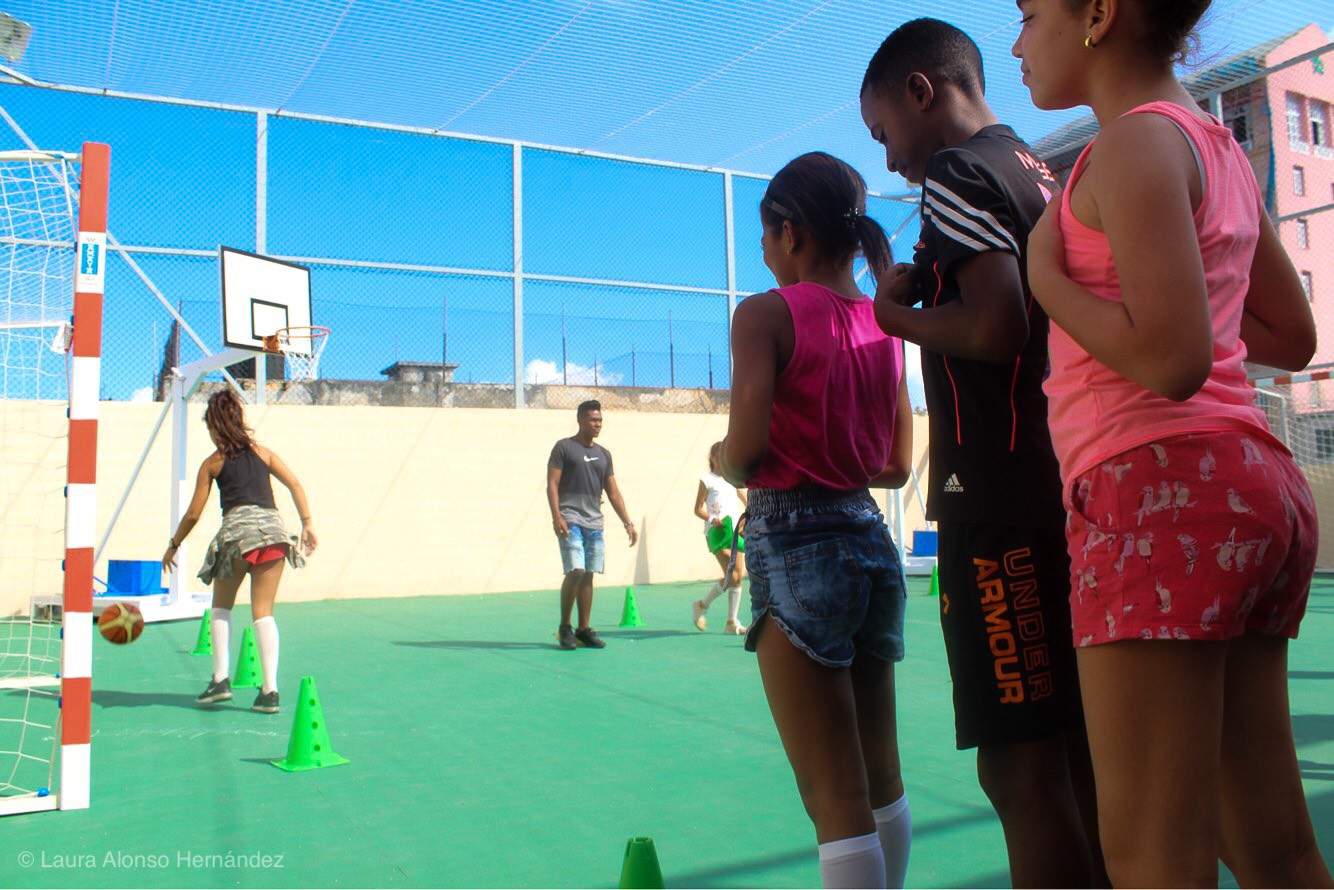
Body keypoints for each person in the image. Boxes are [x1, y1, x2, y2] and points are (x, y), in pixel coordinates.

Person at [1013, 1, 1331, 886]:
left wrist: (1046, 277)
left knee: (1157, 860)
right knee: (1275, 847)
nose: (1017, 41)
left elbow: (1173, 358)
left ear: (1098, 15)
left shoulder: (1129, 146)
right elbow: (1289, 335)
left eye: (1030, 13)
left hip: (1158, 492)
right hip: (1254, 489)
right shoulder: (1216, 148)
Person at [860, 18, 1104, 887]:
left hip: (995, 498)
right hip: (1059, 479)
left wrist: (893, 320)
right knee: (1076, 756)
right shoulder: (1036, 164)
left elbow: (997, 326)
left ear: (922, 91)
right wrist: (920, 282)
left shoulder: (958, 172)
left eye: (884, 132)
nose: (889, 160)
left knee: (1018, 767)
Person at [723, 151, 914, 889]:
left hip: (795, 543)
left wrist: (720, 447)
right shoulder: (884, 325)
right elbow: (896, 465)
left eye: (766, 239)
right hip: (870, 539)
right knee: (881, 778)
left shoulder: (763, 315)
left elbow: (743, 454)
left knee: (833, 800)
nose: (766, 256)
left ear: (791, 233)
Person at [162, 388, 317, 714]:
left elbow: (193, 513)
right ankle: (270, 692)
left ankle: (220, 680)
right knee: (264, 613)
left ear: (216, 426)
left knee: (221, 608)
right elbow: (296, 484)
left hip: (235, 539)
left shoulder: (213, 463)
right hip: (273, 536)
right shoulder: (263, 453)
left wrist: (173, 545)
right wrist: (307, 523)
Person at [546, 400, 638, 650]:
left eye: (600, 420)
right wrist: (557, 516)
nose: (598, 424)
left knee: (588, 575)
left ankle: (583, 629)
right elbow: (552, 484)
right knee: (575, 570)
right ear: (580, 420)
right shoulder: (564, 448)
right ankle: (565, 627)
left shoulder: (603, 454)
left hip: (594, 522)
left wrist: (627, 522)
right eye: (593, 420)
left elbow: (614, 492)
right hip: (570, 518)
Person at [691, 441, 749, 635]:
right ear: (713, 457)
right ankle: (702, 605)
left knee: (737, 577)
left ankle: (731, 622)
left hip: (734, 533)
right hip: (717, 533)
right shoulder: (706, 480)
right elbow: (698, 508)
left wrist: (747, 518)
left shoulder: (733, 479)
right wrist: (712, 518)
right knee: (732, 575)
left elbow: (747, 501)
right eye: (720, 454)